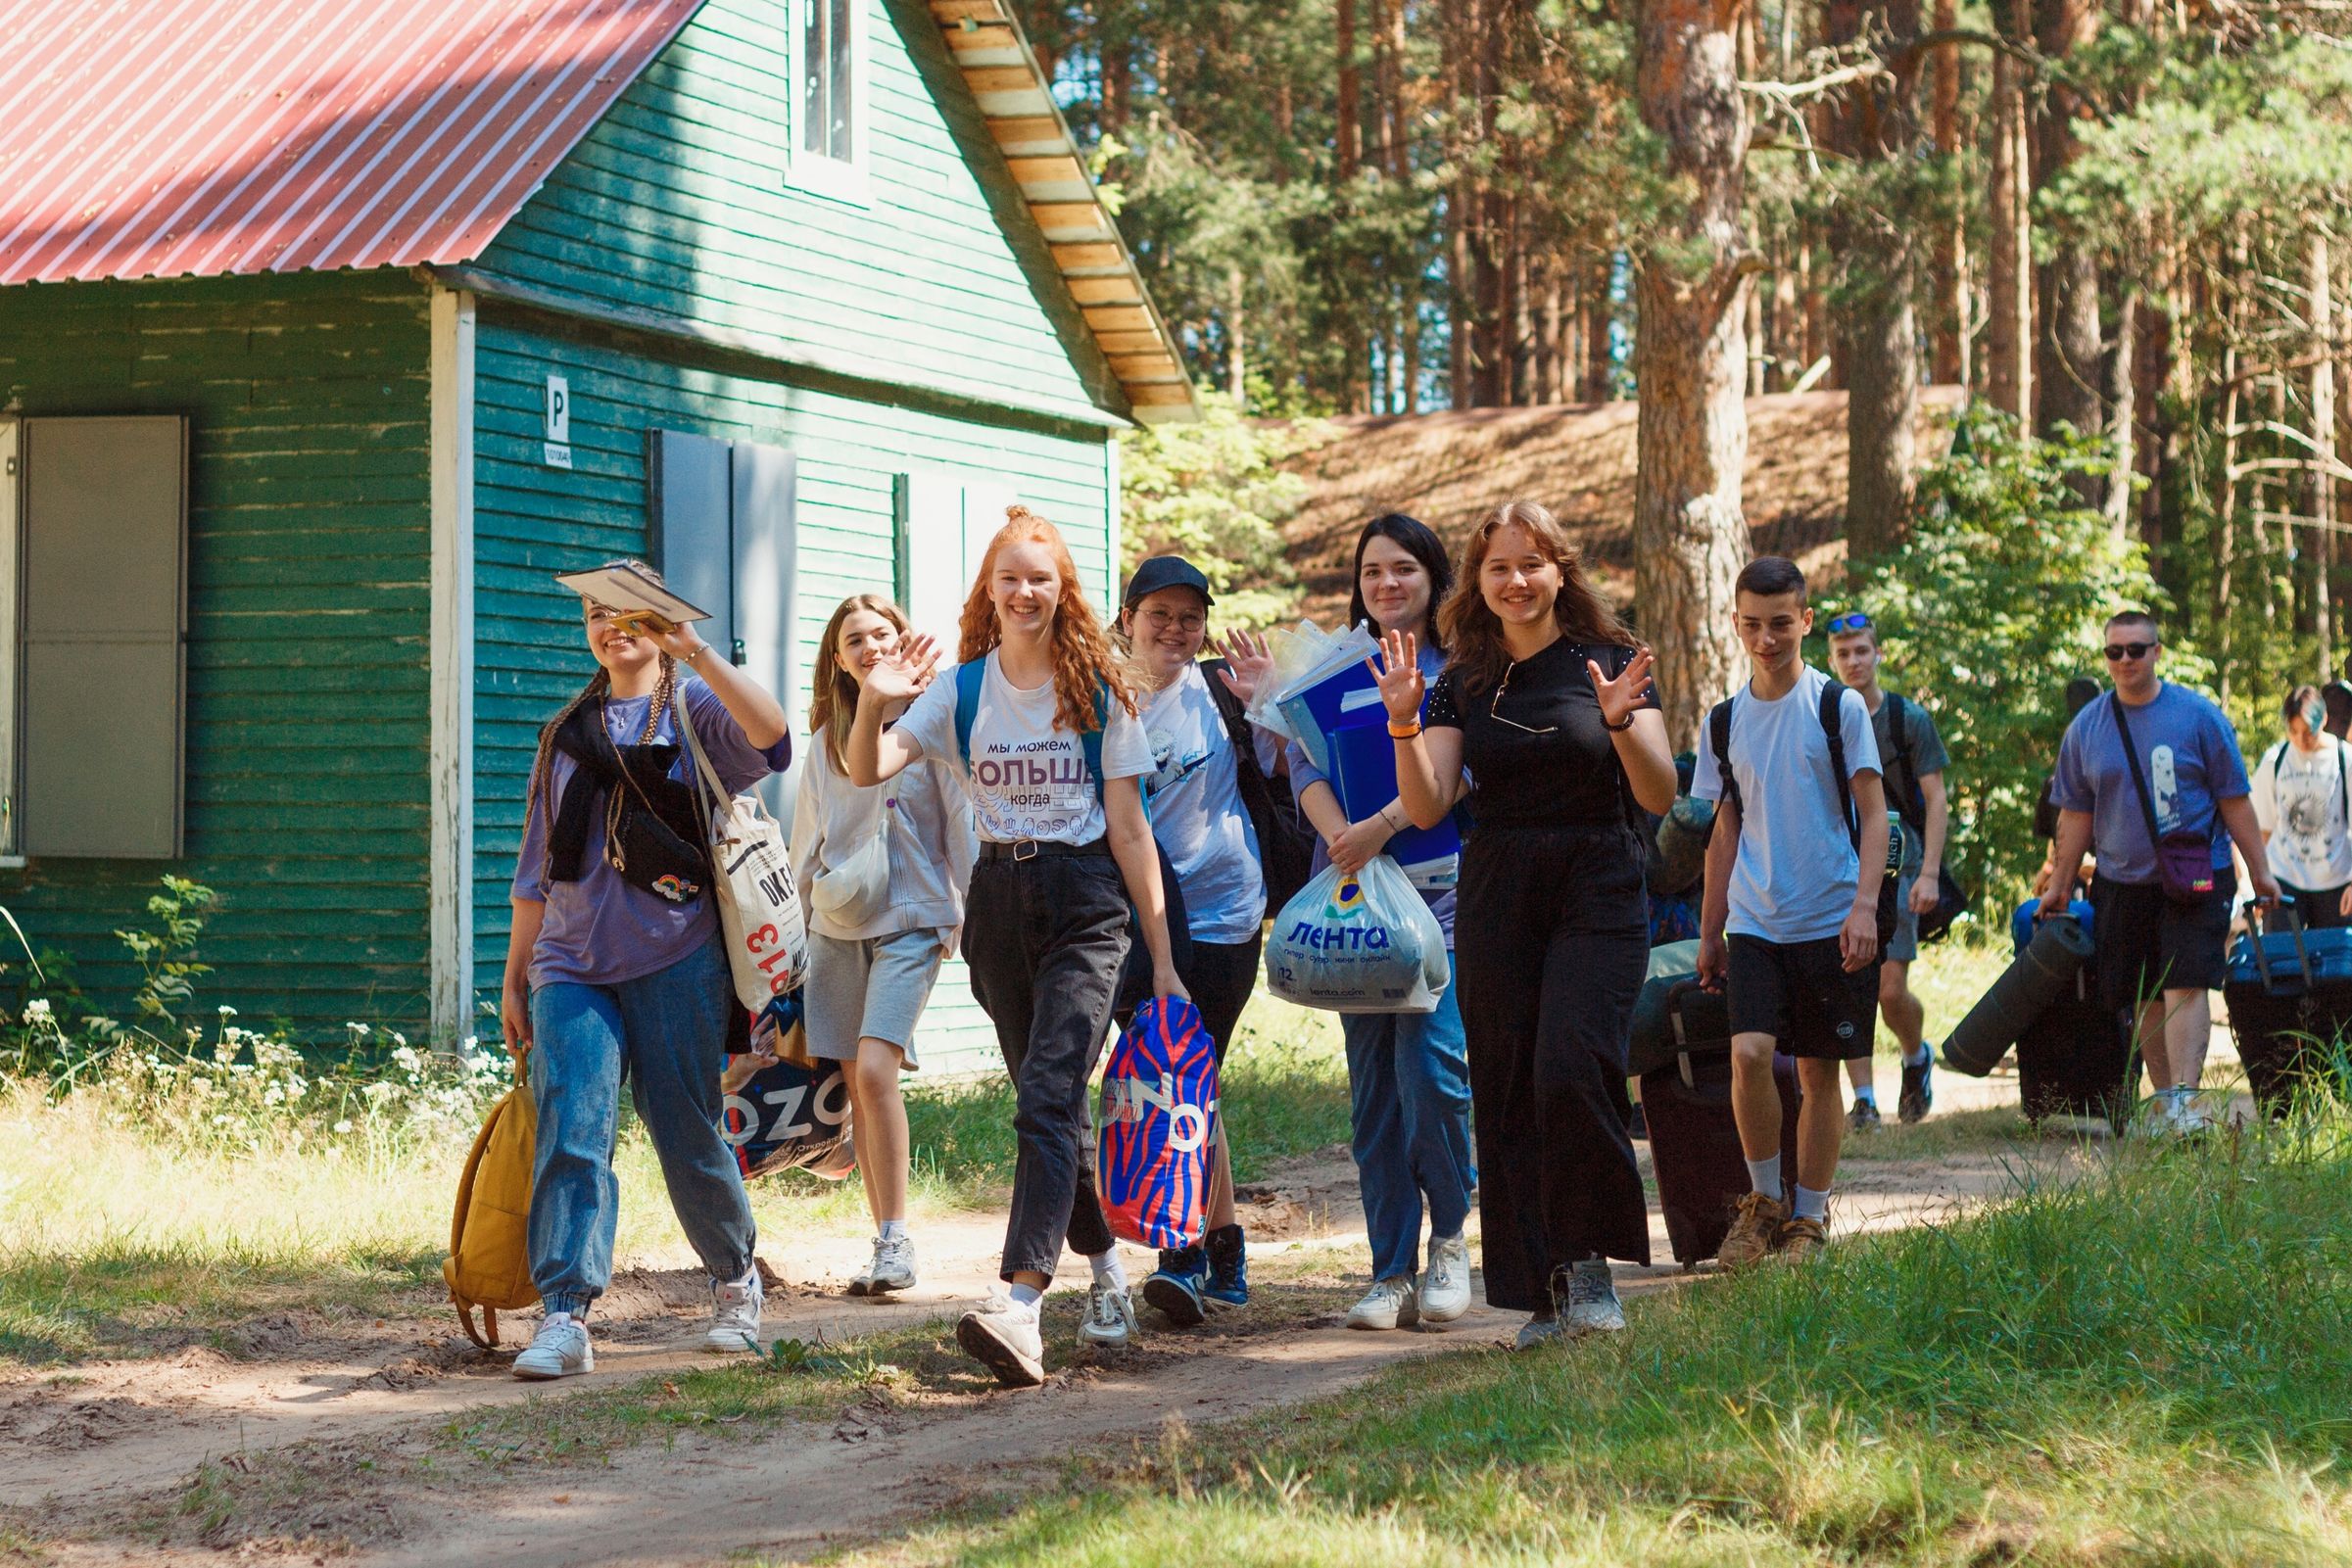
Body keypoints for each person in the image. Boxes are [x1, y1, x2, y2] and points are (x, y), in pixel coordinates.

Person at [846, 506, 1186, 1389]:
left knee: (1045, 1093)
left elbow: (1131, 829)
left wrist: (1163, 957)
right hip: (997, 899)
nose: (1025, 591)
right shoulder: (959, 689)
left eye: (1040, 577)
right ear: (989, 591)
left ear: (1060, 589)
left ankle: (1022, 1305)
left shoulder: (1097, 692)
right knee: (1050, 1107)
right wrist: (877, 697)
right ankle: (1107, 1271)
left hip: (1086, 901)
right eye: (1010, 578)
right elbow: (864, 767)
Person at [1380, 500, 1676, 1348]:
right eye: (1498, 566)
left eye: (1531, 563)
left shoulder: (1612, 662)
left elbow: (1657, 795)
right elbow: (1429, 800)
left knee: (1570, 1067)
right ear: (1477, 581)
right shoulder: (1460, 681)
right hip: (1499, 884)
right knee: (1507, 1082)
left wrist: (1619, 719)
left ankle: (1588, 1268)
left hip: (1598, 878)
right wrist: (1404, 720)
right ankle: (1541, 1288)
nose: (1515, 580)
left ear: (1560, 570)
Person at [500, 561, 792, 1380]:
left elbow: (773, 738)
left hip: (674, 953)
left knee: (687, 1127)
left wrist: (696, 653)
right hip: (569, 962)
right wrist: (514, 973)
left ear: (661, 621)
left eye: (629, 613)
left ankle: (735, 1280)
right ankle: (564, 1313)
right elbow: (536, 867)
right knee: (573, 1127)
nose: (610, 626)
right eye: (596, 613)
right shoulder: (565, 731)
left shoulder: (696, 711)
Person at [1288, 514, 1478, 1335]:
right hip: (1358, 905)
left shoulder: (1463, 667)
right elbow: (1305, 762)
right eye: (1371, 572)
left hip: (1444, 900)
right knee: (1373, 1095)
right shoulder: (1333, 670)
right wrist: (1341, 835)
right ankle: (1388, 1269)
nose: (1387, 584)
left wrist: (1380, 827)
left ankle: (1451, 1240)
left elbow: (1461, 774)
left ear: (1434, 579)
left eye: (1404, 569)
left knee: (1432, 1075)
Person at [1694, 556, 1891, 1266]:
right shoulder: (1722, 723)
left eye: (1780, 623)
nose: (1765, 638)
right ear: (1737, 623)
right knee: (1748, 1055)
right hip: (1753, 919)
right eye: (1751, 624)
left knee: (1816, 1073)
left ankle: (1807, 1219)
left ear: (1805, 620)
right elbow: (1723, 830)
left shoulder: (1837, 707)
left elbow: (1874, 815)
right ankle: (1761, 1204)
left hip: (1829, 916)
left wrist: (1864, 906)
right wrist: (1709, 928)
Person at [791, 594, 979, 1300]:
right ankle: (883, 1243)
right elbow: (807, 841)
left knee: (874, 1072)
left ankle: (897, 1236)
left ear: (902, 641)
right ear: (837, 660)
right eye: (854, 640)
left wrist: (966, 906)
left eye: (881, 633)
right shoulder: (825, 740)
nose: (869, 646)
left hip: (914, 919)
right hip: (837, 926)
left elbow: (960, 822)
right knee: (858, 1091)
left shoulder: (932, 726)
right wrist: (790, 936)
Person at [1114, 555, 1277, 1325]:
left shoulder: (1218, 691)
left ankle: (1187, 1253)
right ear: (1128, 619)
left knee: (1190, 1077)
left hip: (1224, 913)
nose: (1176, 630)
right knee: (1178, 1080)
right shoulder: (1102, 696)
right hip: (1137, 917)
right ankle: (1219, 1245)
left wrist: (1270, 703)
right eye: (1160, 615)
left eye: (1189, 616)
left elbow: (1285, 768)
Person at [2040, 612, 2280, 1133]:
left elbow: (2234, 800)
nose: (2125, 660)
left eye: (2136, 650)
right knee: (2143, 991)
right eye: (2115, 652)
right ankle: (2166, 1098)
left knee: (2187, 983)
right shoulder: (2088, 726)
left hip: (2195, 876)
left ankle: (2187, 1103)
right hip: (2121, 880)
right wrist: (2059, 883)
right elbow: (2075, 812)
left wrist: (2261, 873)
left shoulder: (2199, 717)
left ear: (2157, 652)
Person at [1826, 610, 1949, 1128]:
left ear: (1878, 654)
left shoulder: (1907, 720)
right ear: (1831, 661)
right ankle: (1866, 1100)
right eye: (1843, 654)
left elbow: (1936, 798)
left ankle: (1916, 1056)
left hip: (1902, 862)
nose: (1854, 661)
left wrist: (1930, 874)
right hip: (1838, 861)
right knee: (1850, 982)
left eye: (1862, 651)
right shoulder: (1823, 715)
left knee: (1889, 988)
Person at [2248, 684, 2352, 931]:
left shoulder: (2344, 759)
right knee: (2282, 962)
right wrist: (2262, 877)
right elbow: (2263, 828)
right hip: (2284, 880)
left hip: (2335, 880)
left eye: (2308, 731)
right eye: (2294, 731)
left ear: (2324, 719)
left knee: (2333, 964)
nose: (2301, 740)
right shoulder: (2276, 759)